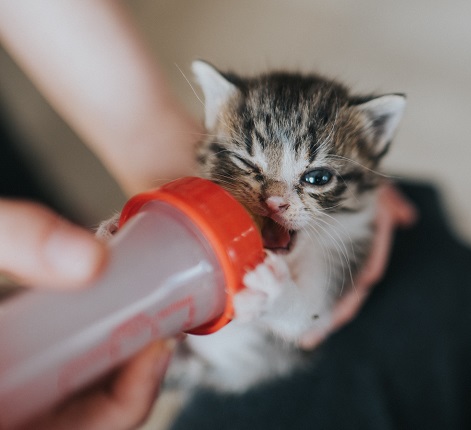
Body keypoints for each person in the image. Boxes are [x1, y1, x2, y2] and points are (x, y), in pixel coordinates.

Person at [0, 1, 414, 429]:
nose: (273, 199)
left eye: (317, 177)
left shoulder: (347, 234)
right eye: (249, 168)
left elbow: (307, 321)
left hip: (237, 358)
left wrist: (279, 296)